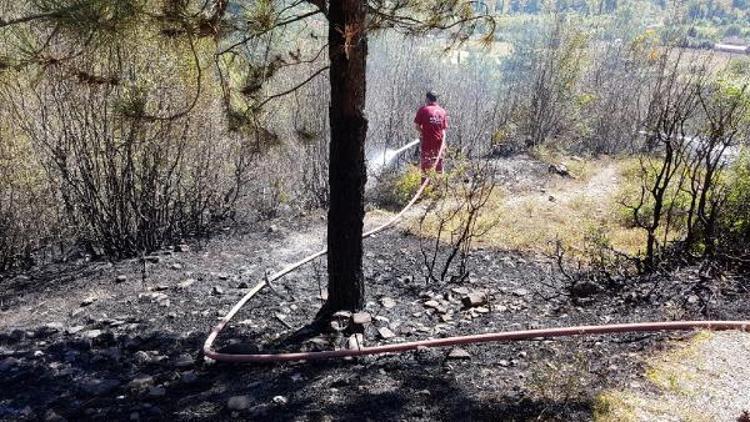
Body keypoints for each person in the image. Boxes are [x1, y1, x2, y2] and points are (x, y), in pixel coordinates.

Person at [414, 91, 448, 177]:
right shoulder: (442, 111)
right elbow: (444, 129)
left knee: (426, 168)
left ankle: (426, 188)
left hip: (427, 144)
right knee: (439, 168)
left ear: (427, 99)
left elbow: (417, 126)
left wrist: (423, 132)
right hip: (439, 145)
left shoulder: (423, 110)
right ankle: (439, 188)